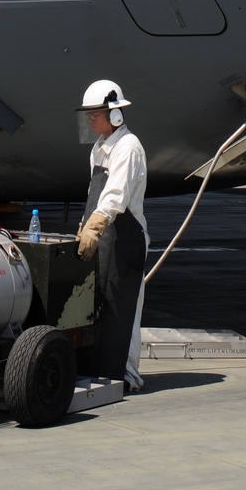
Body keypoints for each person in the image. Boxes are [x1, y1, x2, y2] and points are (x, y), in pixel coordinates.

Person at [75, 80, 147, 393]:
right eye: (88, 115)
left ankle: (127, 376)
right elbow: (95, 192)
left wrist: (96, 224)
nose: (91, 120)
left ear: (115, 114)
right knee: (99, 304)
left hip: (126, 237)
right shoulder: (99, 148)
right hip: (104, 234)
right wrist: (84, 225)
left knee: (124, 308)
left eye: (96, 114)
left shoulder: (128, 147)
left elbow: (116, 194)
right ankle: (99, 371)